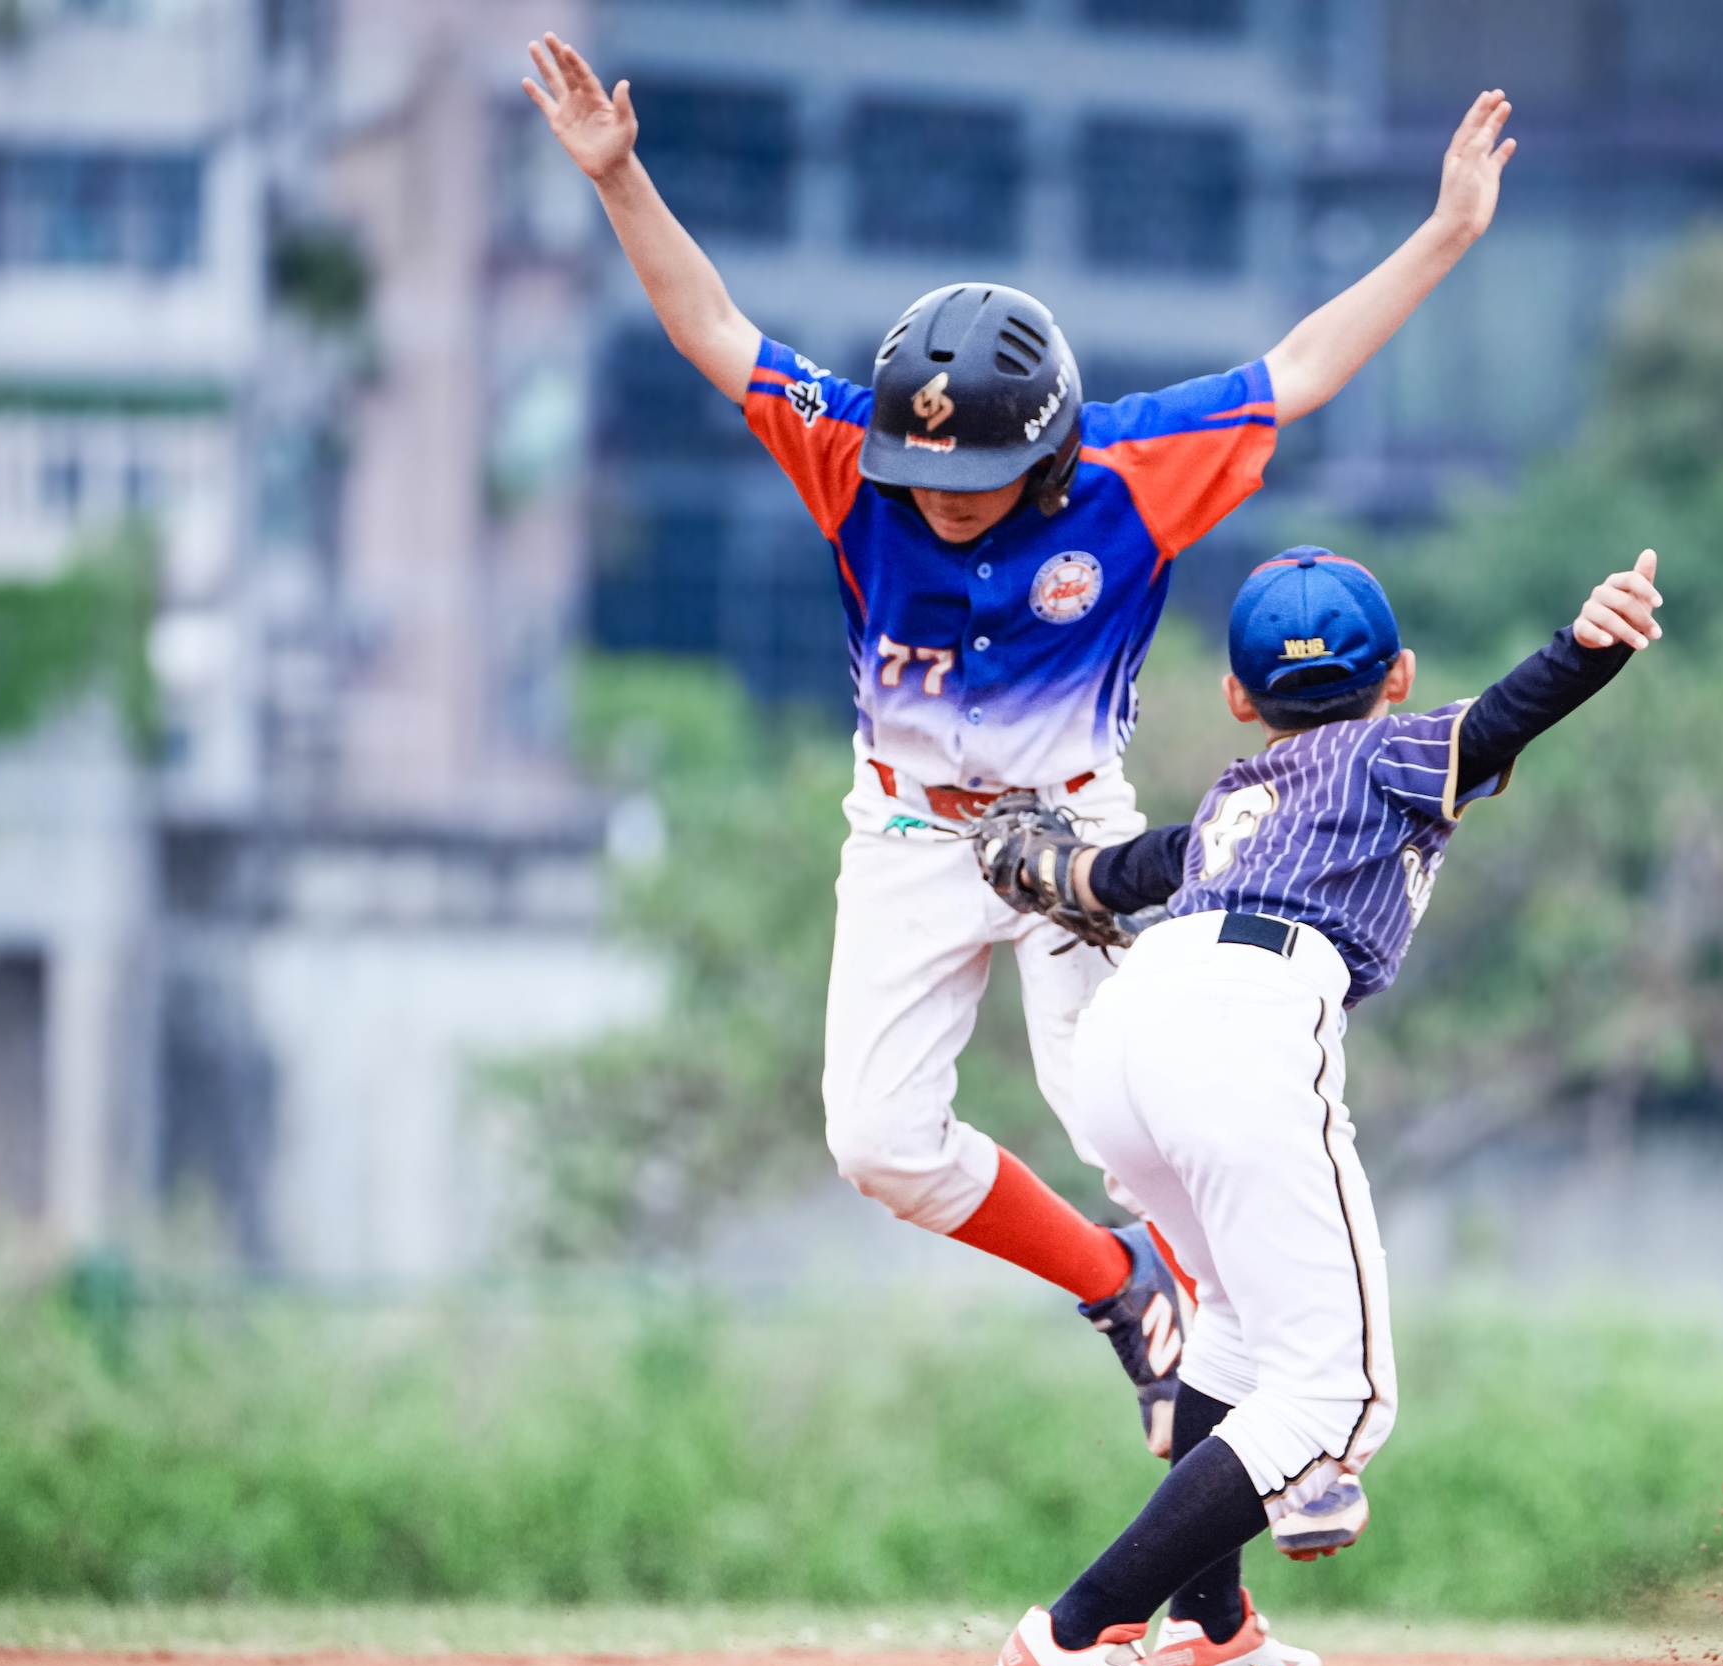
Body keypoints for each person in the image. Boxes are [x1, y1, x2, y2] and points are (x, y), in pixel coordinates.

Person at [522, 35, 1518, 1460]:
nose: (943, 502)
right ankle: (1122, 1291)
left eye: (978, 480)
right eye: (923, 478)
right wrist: (621, 182)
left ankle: (1255, 1469)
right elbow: (716, 329)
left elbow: (1297, 370)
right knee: (877, 1144)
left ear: (1049, 453)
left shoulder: (1130, 469)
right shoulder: (858, 455)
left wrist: (1440, 234)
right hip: (909, 830)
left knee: (1138, 1136)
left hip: (1080, 842)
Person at [974, 542, 1665, 1666]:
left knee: (1238, 1326)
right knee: (1339, 1395)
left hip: (1134, 1032)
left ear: (1239, 700)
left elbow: (1120, 872)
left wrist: (1046, 864)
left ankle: (1206, 1628)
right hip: (1245, 1019)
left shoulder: (1246, 798)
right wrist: (1592, 642)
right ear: (1394, 676)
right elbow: (1504, 717)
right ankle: (1079, 1634)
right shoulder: (1388, 748)